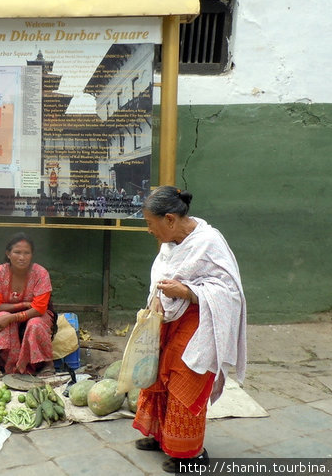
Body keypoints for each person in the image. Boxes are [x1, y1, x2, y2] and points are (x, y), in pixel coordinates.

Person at [132, 186, 247, 473]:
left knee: (185, 380)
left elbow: (230, 293)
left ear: (169, 220)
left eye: (150, 223)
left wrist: (187, 292)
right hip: (170, 320)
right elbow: (161, 276)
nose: (149, 230)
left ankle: (191, 455)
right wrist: (159, 297)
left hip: (201, 322)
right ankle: (162, 436)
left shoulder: (209, 241)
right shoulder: (170, 245)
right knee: (159, 375)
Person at [0, 233, 56, 378]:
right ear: (8, 254)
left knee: (35, 324)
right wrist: (23, 304)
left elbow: (39, 309)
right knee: (0, 317)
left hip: (37, 315)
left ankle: (46, 364)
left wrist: (12, 317)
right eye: (17, 252)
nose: (22, 257)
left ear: (32, 255)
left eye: (27, 253)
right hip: (12, 312)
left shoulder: (40, 273)